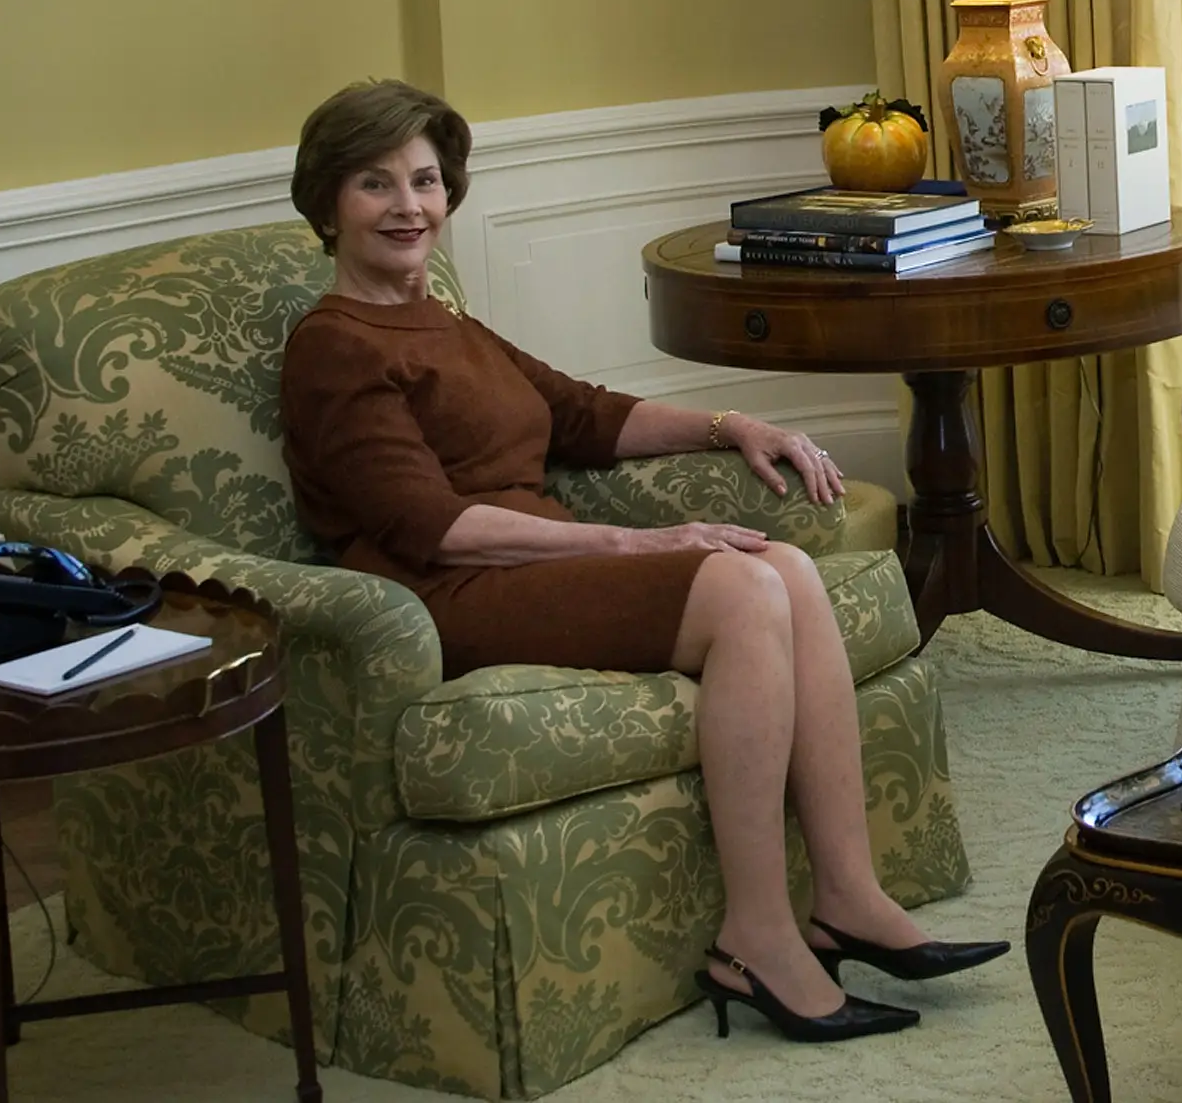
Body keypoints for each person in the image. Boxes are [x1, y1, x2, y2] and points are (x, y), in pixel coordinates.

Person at [277, 79, 1003, 1045]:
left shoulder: (445, 323)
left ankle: (848, 894)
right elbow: (430, 524)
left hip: (528, 570)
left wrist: (731, 423)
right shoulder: (333, 346)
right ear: (328, 204)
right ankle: (755, 940)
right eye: (376, 184)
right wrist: (640, 539)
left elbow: (583, 414)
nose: (409, 206)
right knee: (742, 588)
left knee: (783, 565)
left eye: (425, 180)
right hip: (447, 593)